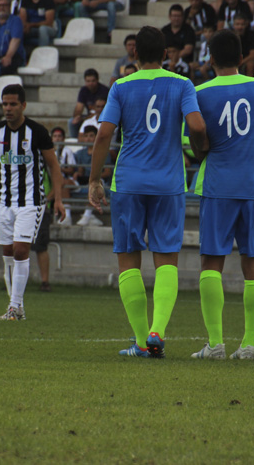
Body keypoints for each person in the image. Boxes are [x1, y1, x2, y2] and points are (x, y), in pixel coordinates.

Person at [87, 25, 207, 358]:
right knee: (166, 257)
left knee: (129, 259)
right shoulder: (182, 84)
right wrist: (200, 149)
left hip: (129, 182)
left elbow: (103, 136)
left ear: (134, 53)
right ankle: (158, 330)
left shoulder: (121, 86)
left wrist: (95, 178)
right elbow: (196, 125)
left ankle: (141, 342)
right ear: (167, 53)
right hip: (169, 182)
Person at [187, 29, 254, 361]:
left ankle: (215, 344)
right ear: (243, 57)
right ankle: (250, 344)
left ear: (210, 59)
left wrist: (204, 151)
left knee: (211, 262)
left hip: (218, 185)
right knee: (253, 261)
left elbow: (197, 138)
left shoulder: (199, 92)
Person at [0, 84, 66, 320]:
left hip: (31, 201)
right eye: (5, 104)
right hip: (5, 202)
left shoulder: (37, 132)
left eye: (13, 104)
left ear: (23, 105)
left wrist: (57, 198)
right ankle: (15, 306)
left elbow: (53, 166)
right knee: (8, 251)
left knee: (20, 250)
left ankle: (15, 307)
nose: (8, 108)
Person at [69, 68, 109, 138]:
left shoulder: (104, 91)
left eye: (93, 81)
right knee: (71, 121)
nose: (90, 83)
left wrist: (85, 118)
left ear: (97, 80)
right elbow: (79, 108)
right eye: (88, 81)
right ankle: (75, 143)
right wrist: (77, 117)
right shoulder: (83, 90)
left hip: (102, 117)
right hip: (88, 116)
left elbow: (102, 110)